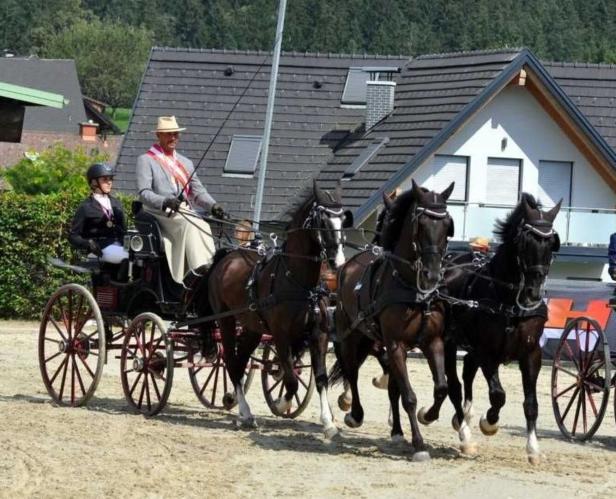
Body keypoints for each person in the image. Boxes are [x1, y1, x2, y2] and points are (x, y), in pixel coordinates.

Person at [136, 116, 225, 287]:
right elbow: (144, 193)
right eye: (169, 134)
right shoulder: (146, 160)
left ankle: (209, 266)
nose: (173, 138)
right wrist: (165, 201)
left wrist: (213, 205)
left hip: (181, 210)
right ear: (159, 136)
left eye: (175, 134)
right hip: (158, 211)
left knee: (204, 225)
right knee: (190, 225)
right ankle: (196, 271)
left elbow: (198, 192)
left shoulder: (186, 163)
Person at [69, 163, 128, 264]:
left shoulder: (117, 203)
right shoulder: (86, 207)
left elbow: (124, 230)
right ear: (93, 182)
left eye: (110, 179)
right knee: (127, 258)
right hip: (100, 248)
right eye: (105, 179)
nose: (109, 182)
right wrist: (88, 243)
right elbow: (73, 236)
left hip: (121, 245)